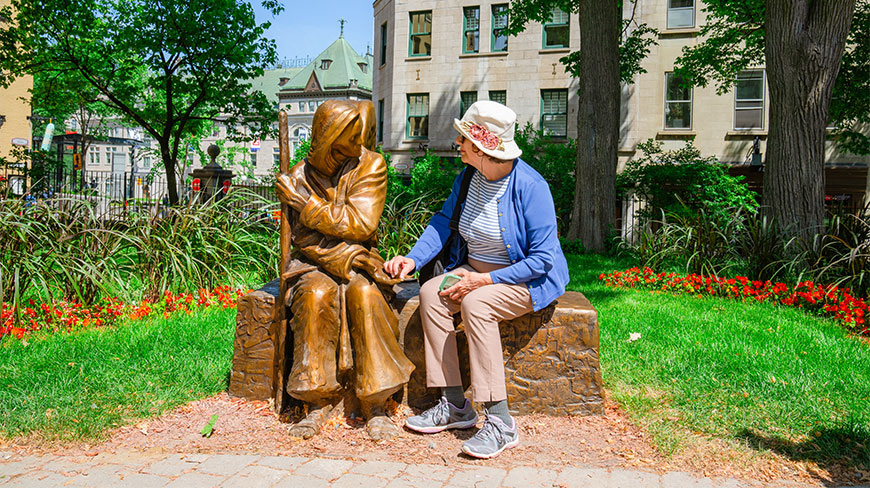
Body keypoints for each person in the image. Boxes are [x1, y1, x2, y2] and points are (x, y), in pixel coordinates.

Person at [384, 100, 569, 459]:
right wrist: (411, 258)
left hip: (525, 280)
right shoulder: (469, 176)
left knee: (475, 302)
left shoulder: (531, 187)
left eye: (464, 139)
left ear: (483, 149)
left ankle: (501, 423)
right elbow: (442, 222)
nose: (458, 143)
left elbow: (543, 259)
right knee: (431, 293)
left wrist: (486, 281)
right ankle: (455, 405)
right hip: (476, 272)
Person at [276, 99, 414, 441]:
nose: (358, 145)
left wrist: (307, 205)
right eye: (350, 138)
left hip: (362, 258)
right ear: (329, 136)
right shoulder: (298, 177)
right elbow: (304, 239)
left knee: (365, 294)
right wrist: (344, 258)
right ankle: (317, 401)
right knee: (315, 295)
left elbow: (361, 223)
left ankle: (376, 402)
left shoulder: (371, 165)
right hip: (314, 262)